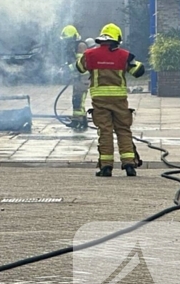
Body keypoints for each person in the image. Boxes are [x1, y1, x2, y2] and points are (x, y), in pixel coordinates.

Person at [77, 23, 146, 177]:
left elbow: (79, 68)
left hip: (99, 101)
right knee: (123, 130)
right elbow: (138, 71)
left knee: (105, 132)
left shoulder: (90, 54)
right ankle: (129, 164)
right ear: (117, 39)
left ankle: (106, 167)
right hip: (120, 101)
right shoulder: (124, 55)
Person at [60, 25, 89, 130]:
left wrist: (69, 68)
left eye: (68, 40)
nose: (67, 42)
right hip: (78, 79)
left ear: (73, 37)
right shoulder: (73, 47)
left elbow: (81, 63)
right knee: (77, 99)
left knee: (78, 100)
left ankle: (78, 121)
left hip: (83, 78)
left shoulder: (81, 46)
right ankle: (80, 121)